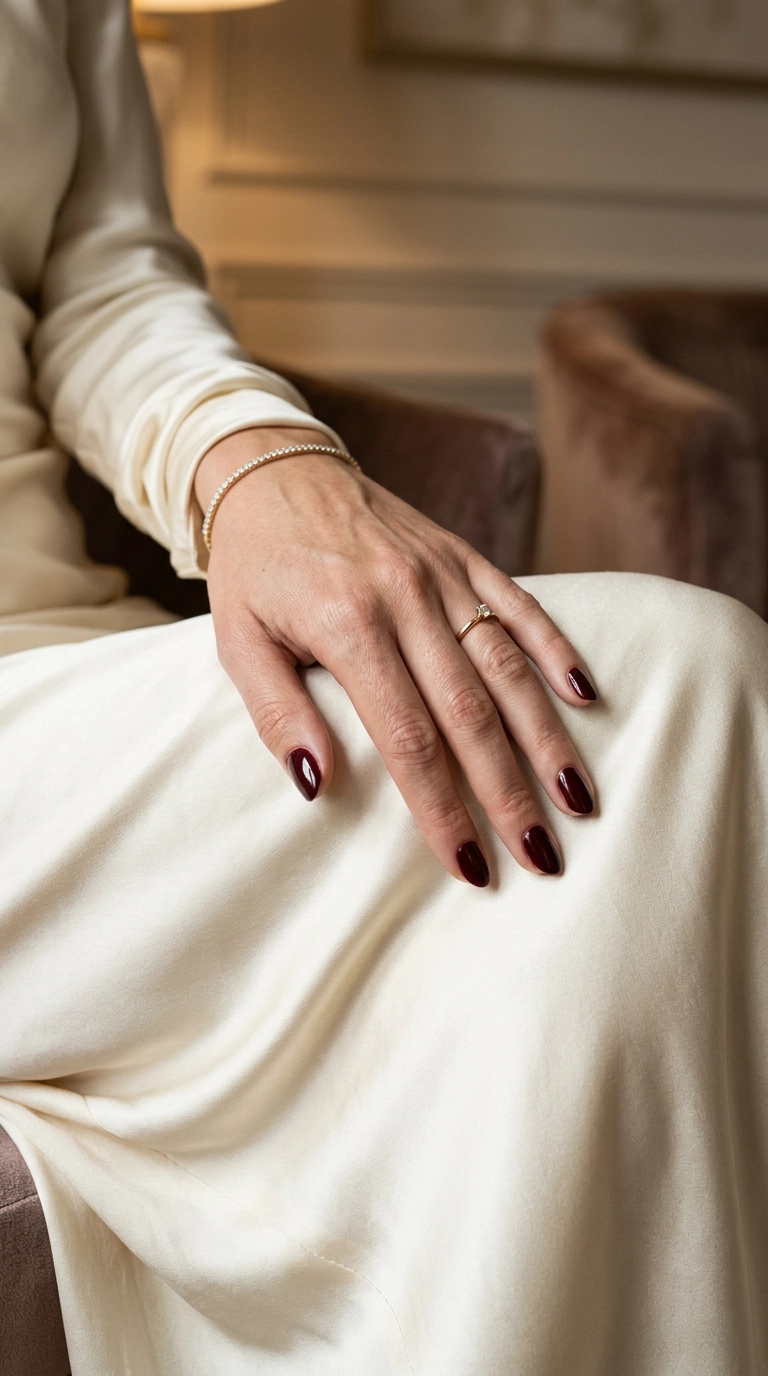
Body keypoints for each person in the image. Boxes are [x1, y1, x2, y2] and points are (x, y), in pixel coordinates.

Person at [0, 1, 766, 1373]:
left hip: (72, 682)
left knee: (587, 848)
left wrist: (259, 468)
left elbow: (101, 275)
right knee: (677, 696)